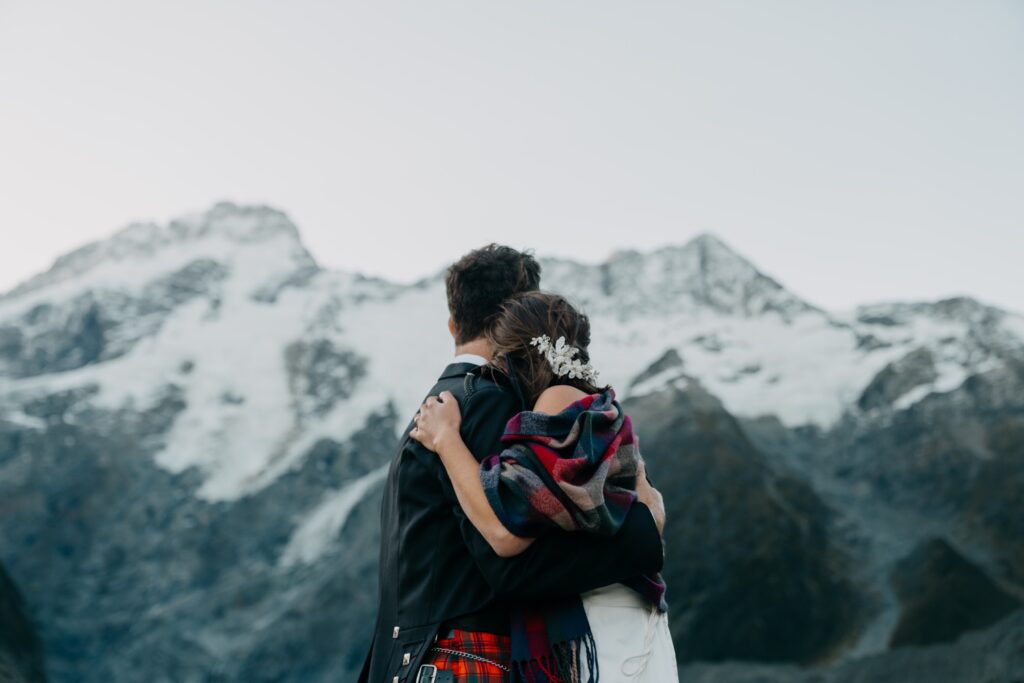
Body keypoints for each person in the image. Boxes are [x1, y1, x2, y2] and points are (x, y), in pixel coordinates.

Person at [358, 245, 667, 683]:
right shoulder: (487, 400)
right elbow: (512, 558)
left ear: (453, 323)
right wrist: (643, 534)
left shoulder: (438, 406)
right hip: (463, 661)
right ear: (519, 313)